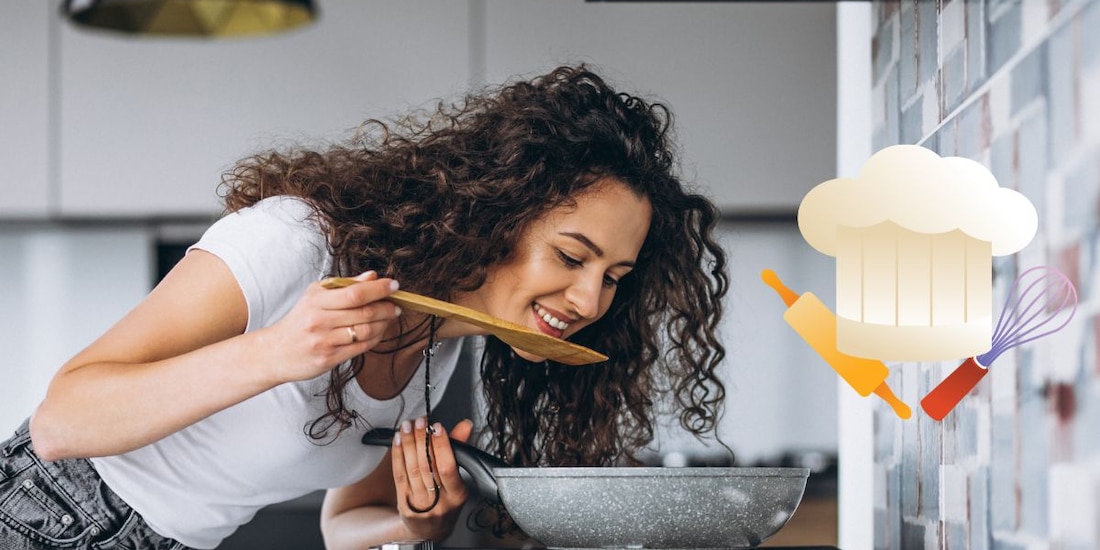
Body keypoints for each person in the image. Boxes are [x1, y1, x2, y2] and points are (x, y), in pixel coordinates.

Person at [0, 64, 729, 550]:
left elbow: (345, 524)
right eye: (572, 258)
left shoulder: (441, 347)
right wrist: (276, 352)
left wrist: (418, 523)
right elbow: (63, 422)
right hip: (44, 513)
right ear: (501, 213)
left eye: (614, 277)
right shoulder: (295, 242)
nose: (590, 299)